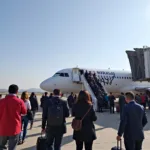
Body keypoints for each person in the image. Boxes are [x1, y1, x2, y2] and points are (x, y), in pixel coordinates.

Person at [0, 85, 27, 150]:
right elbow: (24, 112)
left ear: (8, 91)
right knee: (12, 147)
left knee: (1, 146)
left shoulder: (1, 101)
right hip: (14, 128)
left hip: (3, 128)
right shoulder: (20, 101)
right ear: (17, 91)